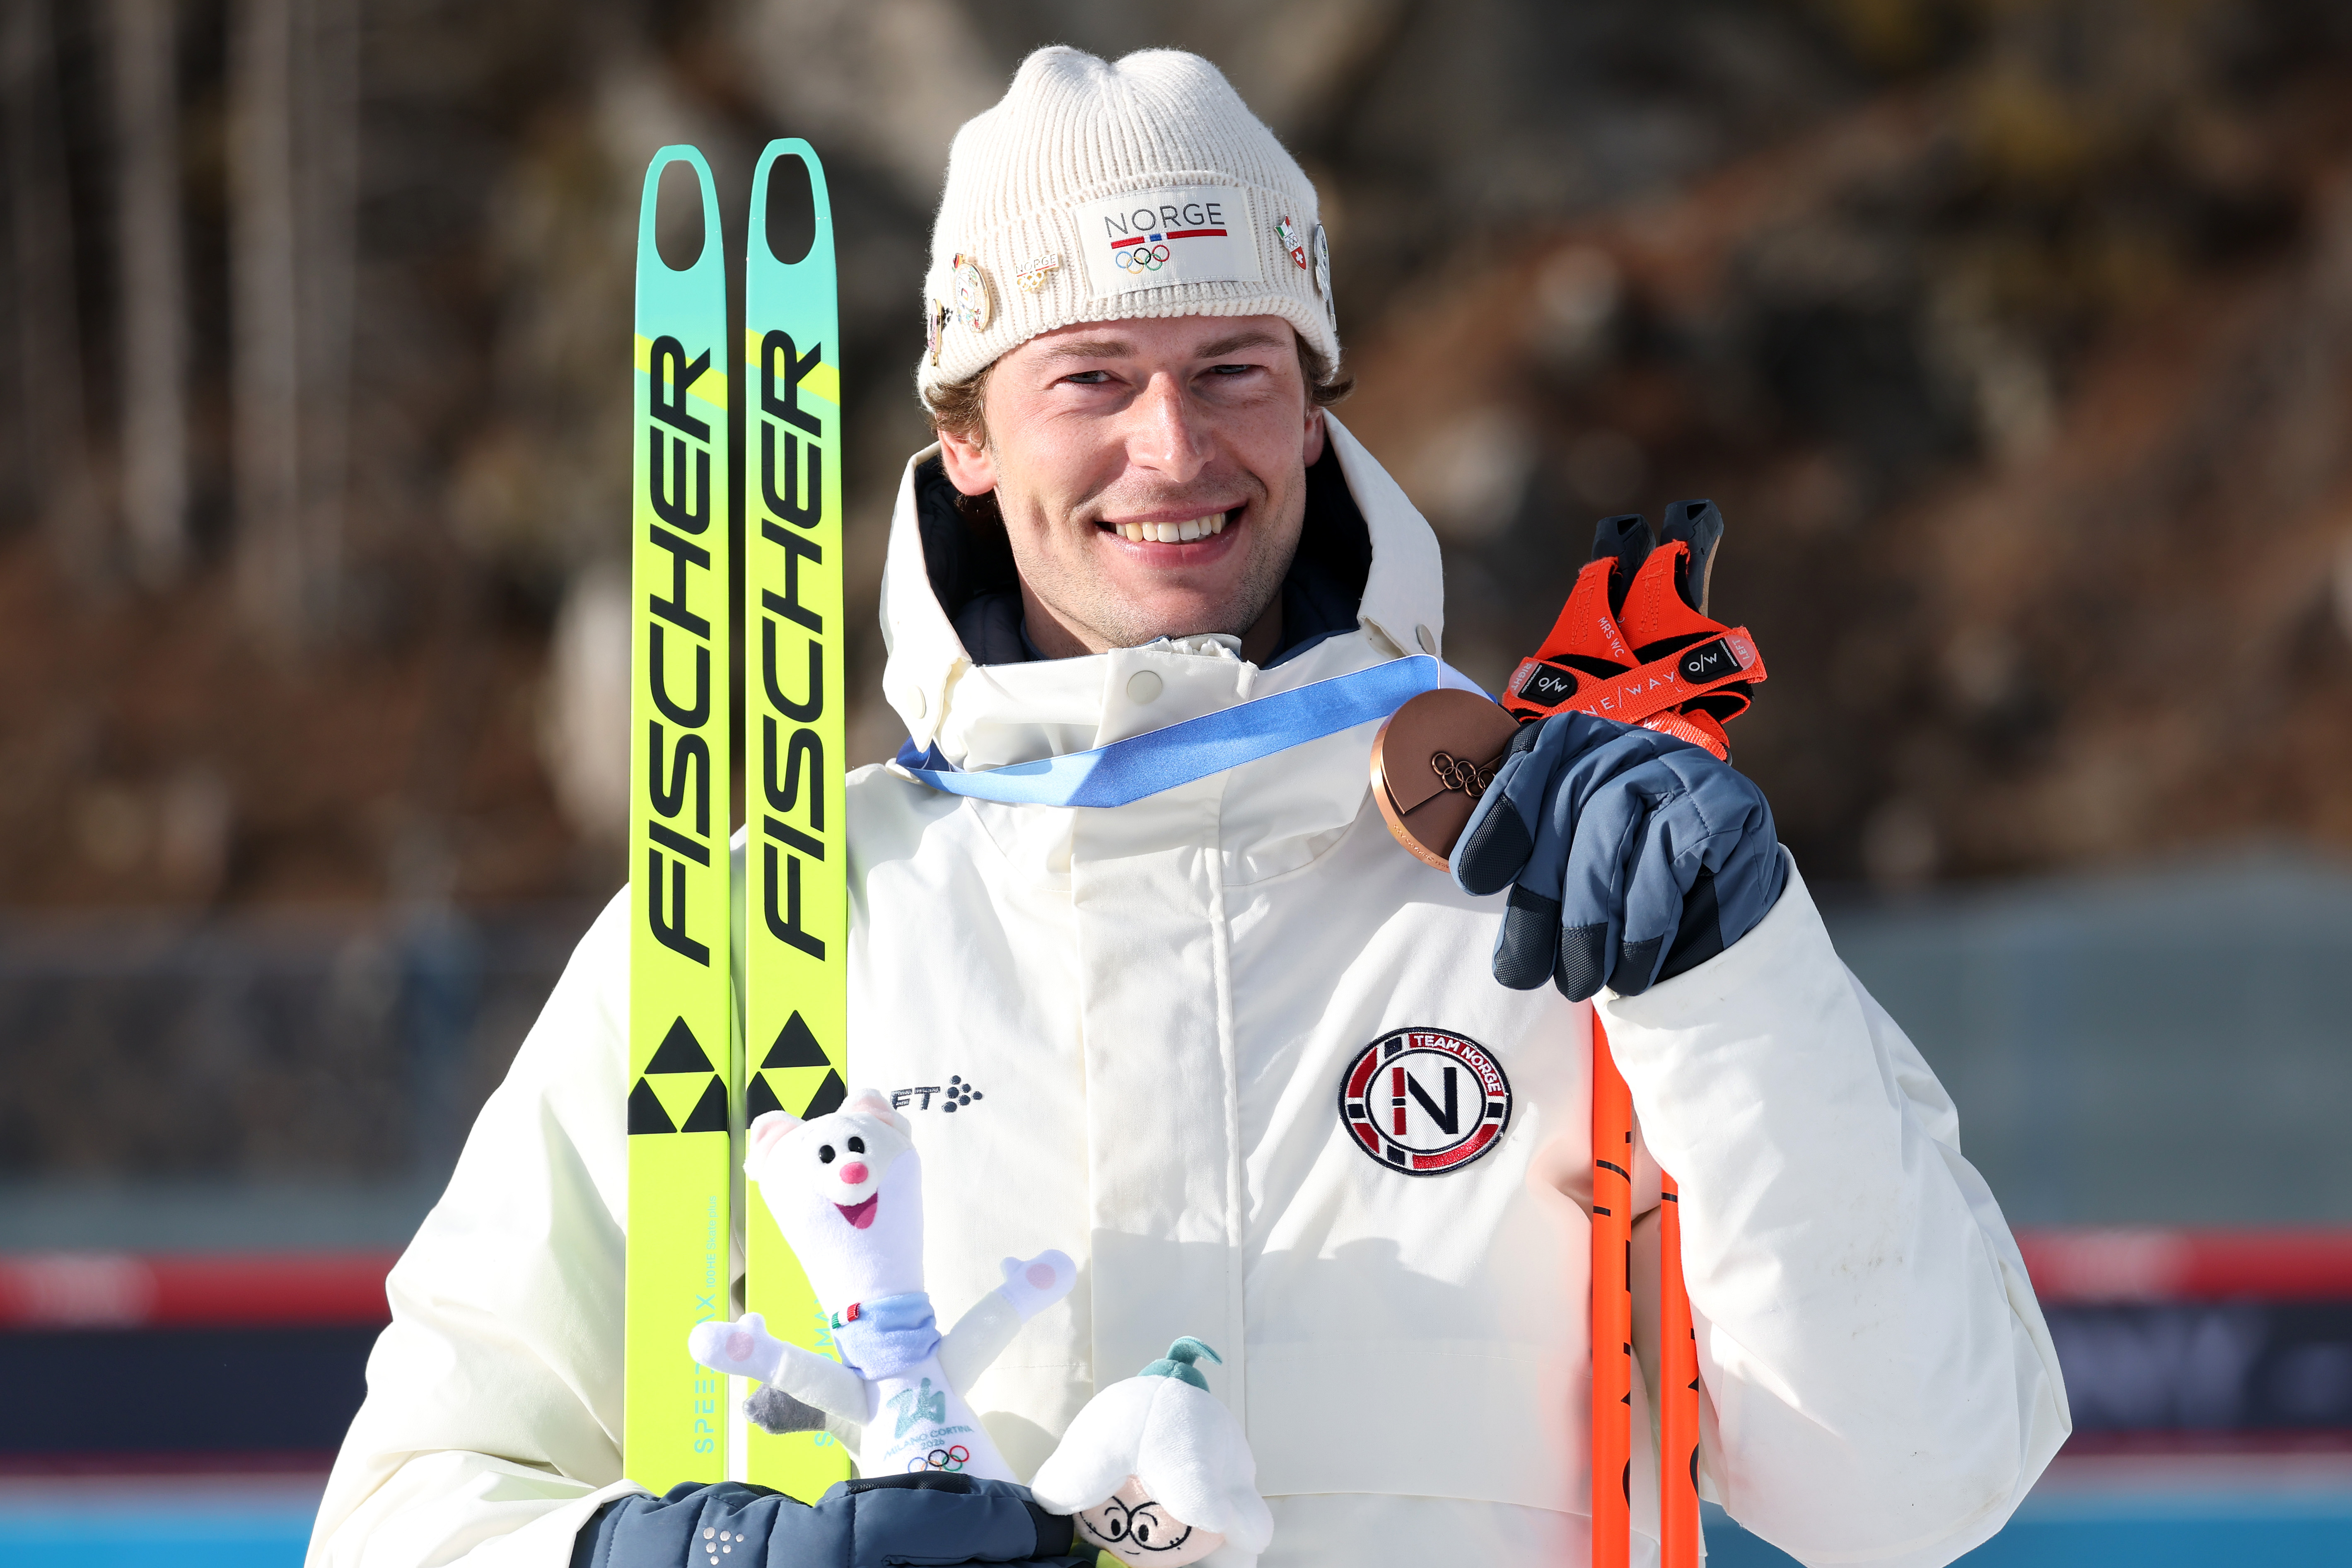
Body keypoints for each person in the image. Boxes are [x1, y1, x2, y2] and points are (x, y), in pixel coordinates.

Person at [309, 46, 2068, 1568]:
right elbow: (401, 1509)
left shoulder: (1568, 884)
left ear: (1311, 414)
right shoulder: (767, 928)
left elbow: (1920, 1487)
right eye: (1089, 376)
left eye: (1237, 366)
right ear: (970, 436)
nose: (1174, 449)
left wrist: (1735, 975)